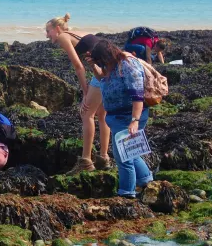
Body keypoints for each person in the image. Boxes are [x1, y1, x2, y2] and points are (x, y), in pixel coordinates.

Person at [45, 13, 112, 174]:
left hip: (103, 73)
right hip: (111, 70)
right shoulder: (77, 33)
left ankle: (86, 161)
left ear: (57, 28)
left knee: (86, 113)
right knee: (102, 114)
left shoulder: (63, 37)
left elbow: (78, 66)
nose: (47, 35)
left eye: (48, 31)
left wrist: (85, 92)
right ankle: (104, 158)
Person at [88, 39, 153, 198]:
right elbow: (102, 79)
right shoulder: (110, 65)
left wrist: (134, 121)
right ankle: (146, 180)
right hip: (116, 116)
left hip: (128, 116)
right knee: (130, 152)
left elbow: (137, 96)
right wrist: (93, 66)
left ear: (107, 56)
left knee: (123, 158)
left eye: (101, 61)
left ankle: (127, 192)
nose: (102, 65)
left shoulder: (127, 65)